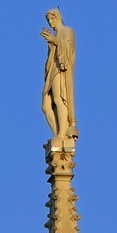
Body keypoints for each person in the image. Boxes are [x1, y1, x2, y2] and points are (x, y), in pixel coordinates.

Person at [41, 8, 77, 139]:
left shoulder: (67, 31)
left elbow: (69, 49)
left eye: (52, 18)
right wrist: (50, 41)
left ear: (59, 17)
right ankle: (59, 133)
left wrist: (54, 40)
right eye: (48, 20)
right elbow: (52, 54)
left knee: (58, 98)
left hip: (60, 69)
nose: (50, 22)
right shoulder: (56, 34)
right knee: (45, 105)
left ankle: (62, 133)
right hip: (52, 69)